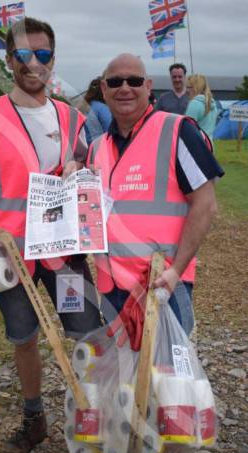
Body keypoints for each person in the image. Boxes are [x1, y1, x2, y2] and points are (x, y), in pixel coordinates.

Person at [0, 17, 103, 453]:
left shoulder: (72, 117)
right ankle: (35, 420)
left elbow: (87, 168)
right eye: (24, 55)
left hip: (64, 252)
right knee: (24, 338)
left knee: (88, 333)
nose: (34, 63)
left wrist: (79, 169)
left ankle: (92, 413)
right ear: (9, 60)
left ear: (53, 60)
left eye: (43, 55)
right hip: (9, 255)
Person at [88, 53, 224, 350]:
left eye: (134, 80)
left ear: (148, 86)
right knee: (124, 372)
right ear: (103, 88)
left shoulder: (177, 130)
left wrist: (176, 271)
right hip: (112, 284)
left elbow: (205, 203)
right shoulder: (97, 147)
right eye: (115, 81)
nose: (125, 87)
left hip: (162, 283)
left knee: (170, 378)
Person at [185, 74, 218, 143]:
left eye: (188, 87)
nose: (186, 90)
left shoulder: (194, 104)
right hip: (209, 144)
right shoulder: (212, 103)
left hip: (197, 145)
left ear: (195, 87)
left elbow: (187, 129)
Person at [81, 76, 112, 144]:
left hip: (84, 148)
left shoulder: (83, 107)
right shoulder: (102, 108)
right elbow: (110, 132)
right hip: (99, 149)